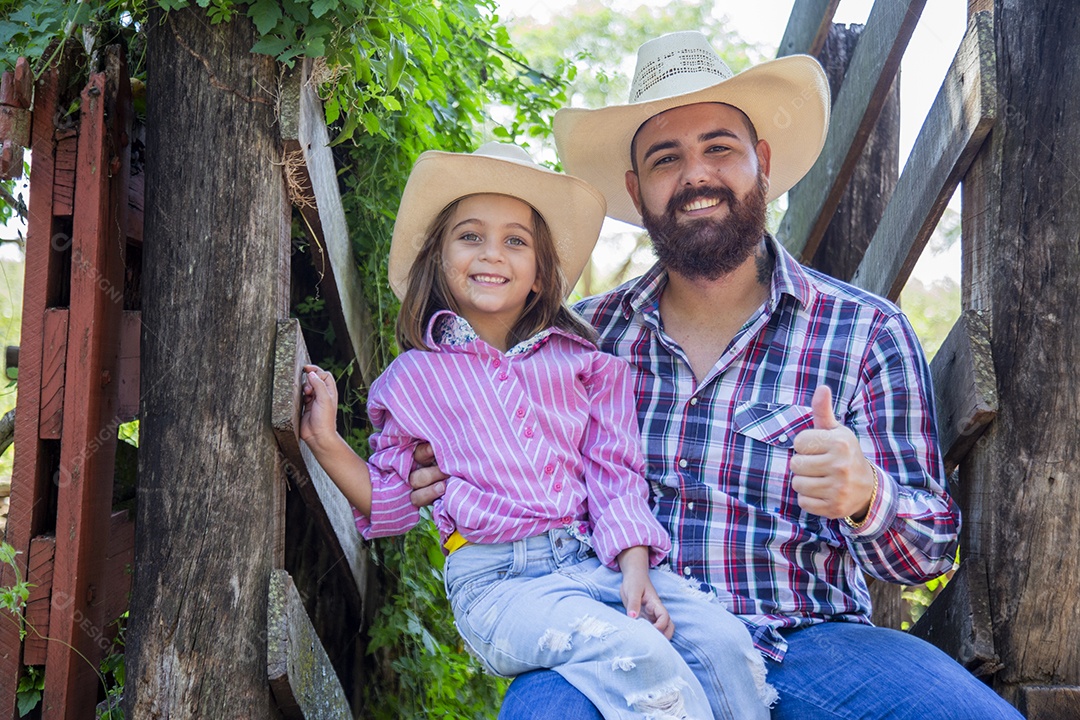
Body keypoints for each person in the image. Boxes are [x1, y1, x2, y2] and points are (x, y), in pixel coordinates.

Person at [408, 33, 1024, 719]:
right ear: (638, 191)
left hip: (813, 645)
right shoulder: (571, 341)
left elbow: (930, 551)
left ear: (759, 163)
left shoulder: (865, 333)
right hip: (619, 634)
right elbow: (483, 443)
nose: (696, 175)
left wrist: (865, 494)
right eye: (666, 159)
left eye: (718, 148)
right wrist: (448, 466)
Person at [300, 141, 777, 719]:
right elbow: (394, 500)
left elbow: (614, 474)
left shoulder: (583, 365)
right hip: (500, 585)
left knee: (722, 644)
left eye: (515, 241)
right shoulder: (412, 380)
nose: (491, 254)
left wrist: (634, 568)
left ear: (539, 274)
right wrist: (324, 441)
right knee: (638, 652)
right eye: (469, 236)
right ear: (439, 258)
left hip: (594, 561)